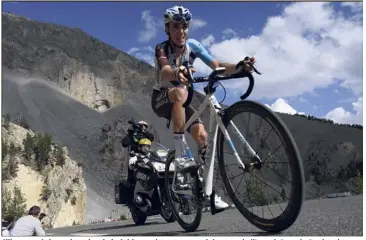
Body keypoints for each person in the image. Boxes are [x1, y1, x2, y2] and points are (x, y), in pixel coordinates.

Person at [150, 5, 256, 210]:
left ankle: (203, 189)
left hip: (184, 100)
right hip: (162, 99)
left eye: (184, 26)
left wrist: (240, 66)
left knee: (202, 137)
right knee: (179, 92)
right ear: (167, 29)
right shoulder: (161, 48)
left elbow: (216, 65)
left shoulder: (193, 46)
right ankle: (180, 156)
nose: (180, 31)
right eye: (175, 27)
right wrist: (177, 72)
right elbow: (164, 72)